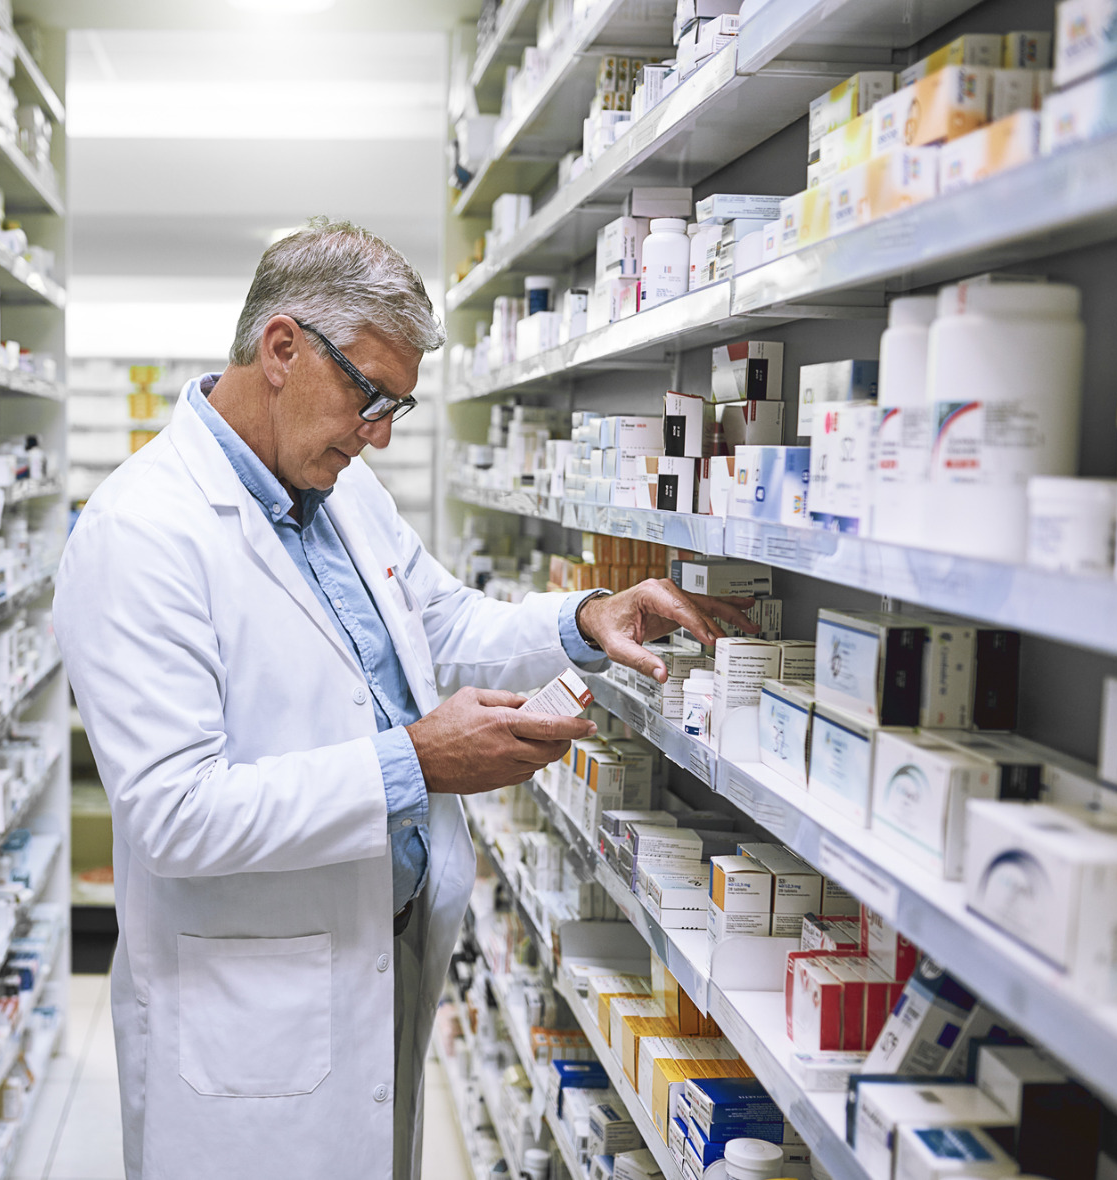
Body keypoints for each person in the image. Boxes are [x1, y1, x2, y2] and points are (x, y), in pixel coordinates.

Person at [53, 217, 755, 1180]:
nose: (378, 435)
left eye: (398, 408)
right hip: (250, 1011)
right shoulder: (142, 531)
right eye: (370, 395)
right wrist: (415, 764)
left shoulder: (342, 491)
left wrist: (587, 618)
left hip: (384, 960)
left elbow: (442, 626)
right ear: (283, 348)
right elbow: (176, 816)